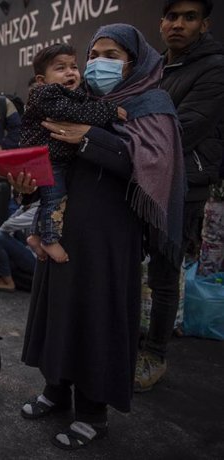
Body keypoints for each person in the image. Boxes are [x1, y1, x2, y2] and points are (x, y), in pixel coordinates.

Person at [18, 24, 184, 450]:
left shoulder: (151, 104)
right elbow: (49, 157)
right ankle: (56, 391)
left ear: (135, 61)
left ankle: (92, 414)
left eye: (112, 55)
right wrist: (24, 181)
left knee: (96, 315)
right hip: (65, 225)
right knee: (59, 311)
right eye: (94, 54)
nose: (97, 64)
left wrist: (88, 136)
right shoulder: (83, 100)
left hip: (111, 234)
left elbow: (151, 168)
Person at [136, 0, 224, 392]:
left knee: (164, 272)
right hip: (142, 177)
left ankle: (155, 354)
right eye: (172, 17)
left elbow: (181, 129)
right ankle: (135, 338)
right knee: (133, 265)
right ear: (161, 24)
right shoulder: (155, 69)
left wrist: (124, 136)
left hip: (183, 186)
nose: (179, 25)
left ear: (204, 25)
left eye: (189, 18)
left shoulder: (215, 68)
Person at [21, 43, 127, 263]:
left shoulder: (70, 93)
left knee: (49, 198)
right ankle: (50, 239)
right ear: (41, 80)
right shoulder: (46, 94)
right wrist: (108, 110)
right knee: (56, 199)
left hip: (54, 158)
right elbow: (74, 112)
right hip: (48, 160)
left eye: (74, 66)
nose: (70, 72)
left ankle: (34, 234)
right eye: (60, 68)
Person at [0, 201, 38, 292]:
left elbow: (7, 226)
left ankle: (8, 283)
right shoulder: (29, 204)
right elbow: (11, 220)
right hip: (30, 248)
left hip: (38, 259)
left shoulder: (39, 208)